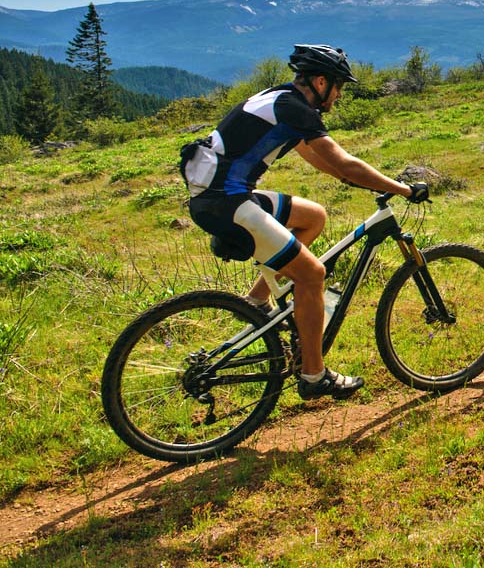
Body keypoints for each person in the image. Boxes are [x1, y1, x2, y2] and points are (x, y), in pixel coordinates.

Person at [180, 44, 427, 401]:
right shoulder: (295, 109)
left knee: (313, 217)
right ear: (321, 82)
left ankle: (257, 301)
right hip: (227, 203)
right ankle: (314, 375)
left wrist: (351, 178)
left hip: (218, 196)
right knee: (312, 275)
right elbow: (343, 162)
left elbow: (322, 160)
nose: (339, 95)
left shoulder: (281, 98)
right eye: (338, 86)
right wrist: (402, 189)